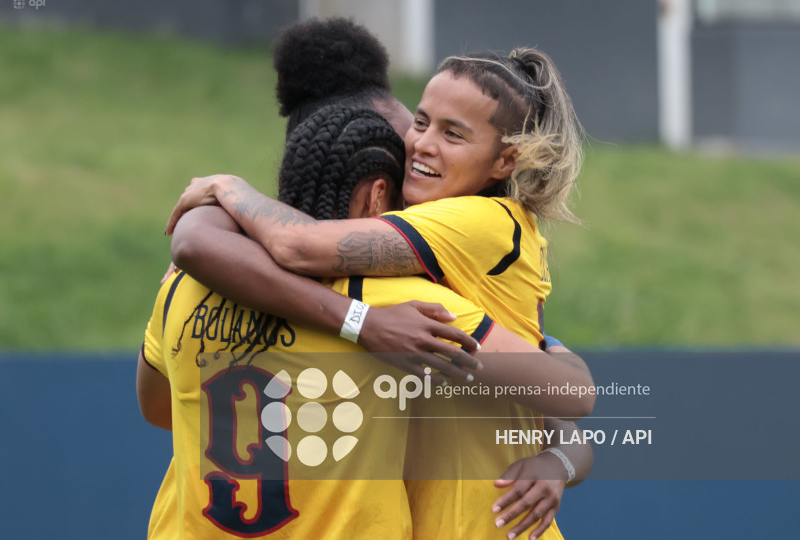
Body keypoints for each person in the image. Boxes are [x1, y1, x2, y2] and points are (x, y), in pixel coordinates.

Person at [167, 42, 585, 540]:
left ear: (505, 160)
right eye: (422, 121)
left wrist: (227, 189)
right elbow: (547, 396)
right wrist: (561, 452)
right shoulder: (422, 291)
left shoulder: (461, 238)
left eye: (453, 134)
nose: (424, 143)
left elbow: (295, 245)